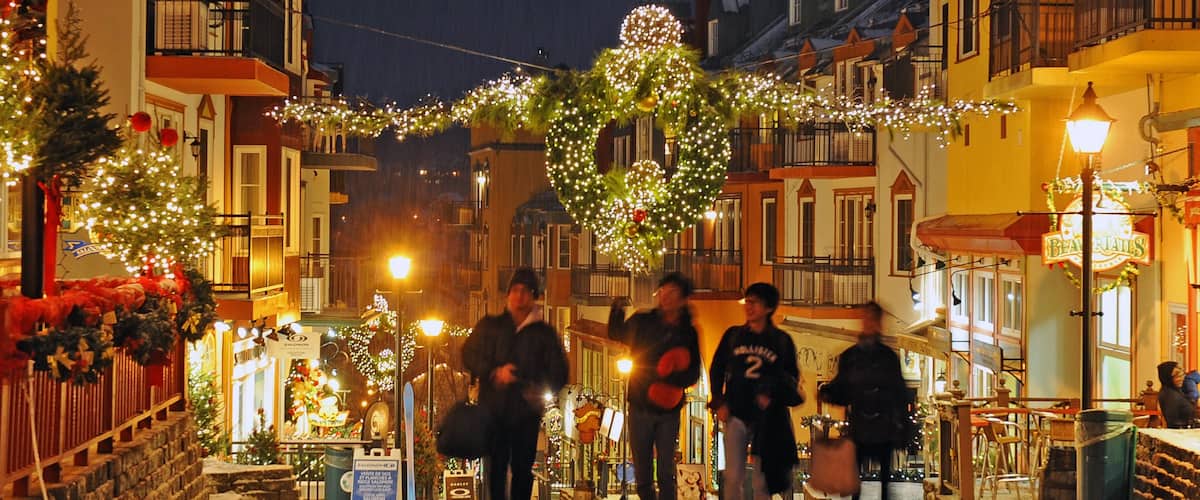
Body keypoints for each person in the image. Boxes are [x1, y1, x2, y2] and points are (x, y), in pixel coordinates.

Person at [463, 267, 569, 500]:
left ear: (534, 297)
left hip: (525, 414)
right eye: (516, 290)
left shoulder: (544, 335)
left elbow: (559, 372)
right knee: (496, 469)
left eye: (526, 291)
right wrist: (493, 372)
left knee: (523, 469)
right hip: (494, 411)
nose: (520, 296)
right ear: (508, 294)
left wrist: (535, 387)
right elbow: (469, 354)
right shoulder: (492, 326)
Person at [608, 272, 703, 500]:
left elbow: (693, 372)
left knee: (665, 470)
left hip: (668, 409)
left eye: (672, 293)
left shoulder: (687, 332)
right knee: (642, 470)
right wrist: (617, 310)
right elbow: (617, 334)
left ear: (682, 299)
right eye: (663, 292)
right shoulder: (643, 321)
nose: (666, 297)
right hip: (640, 403)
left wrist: (670, 380)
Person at [709, 283, 803, 500]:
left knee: (763, 479)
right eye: (747, 302)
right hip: (736, 412)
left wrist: (772, 394)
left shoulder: (781, 341)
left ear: (768, 308)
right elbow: (717, 367)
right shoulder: (734, 336)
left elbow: (791, 378)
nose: (748, 307)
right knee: (733, 476)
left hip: (768, 417)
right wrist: (719, 401)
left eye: (754, 302)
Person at [818, 302, 912, 500]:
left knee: (884, 483)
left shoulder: (886, 358)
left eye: (872, 319)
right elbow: (842, 387)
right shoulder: (851, 357)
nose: (868, 323)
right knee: (855, 483)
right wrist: (828, 392)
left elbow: (899, 392)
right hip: (860, 427)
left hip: (882, 427)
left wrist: (903, 427)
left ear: (878, 323)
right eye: (865, 318)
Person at [1157, 361, 1196, 429]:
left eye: (1181, 375)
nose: (1181, 379)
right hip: (1179, 436)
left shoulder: (1175, 391)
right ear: (1167, 378)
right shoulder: (1170, 395)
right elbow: (1173, 423)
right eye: (1177, 376)